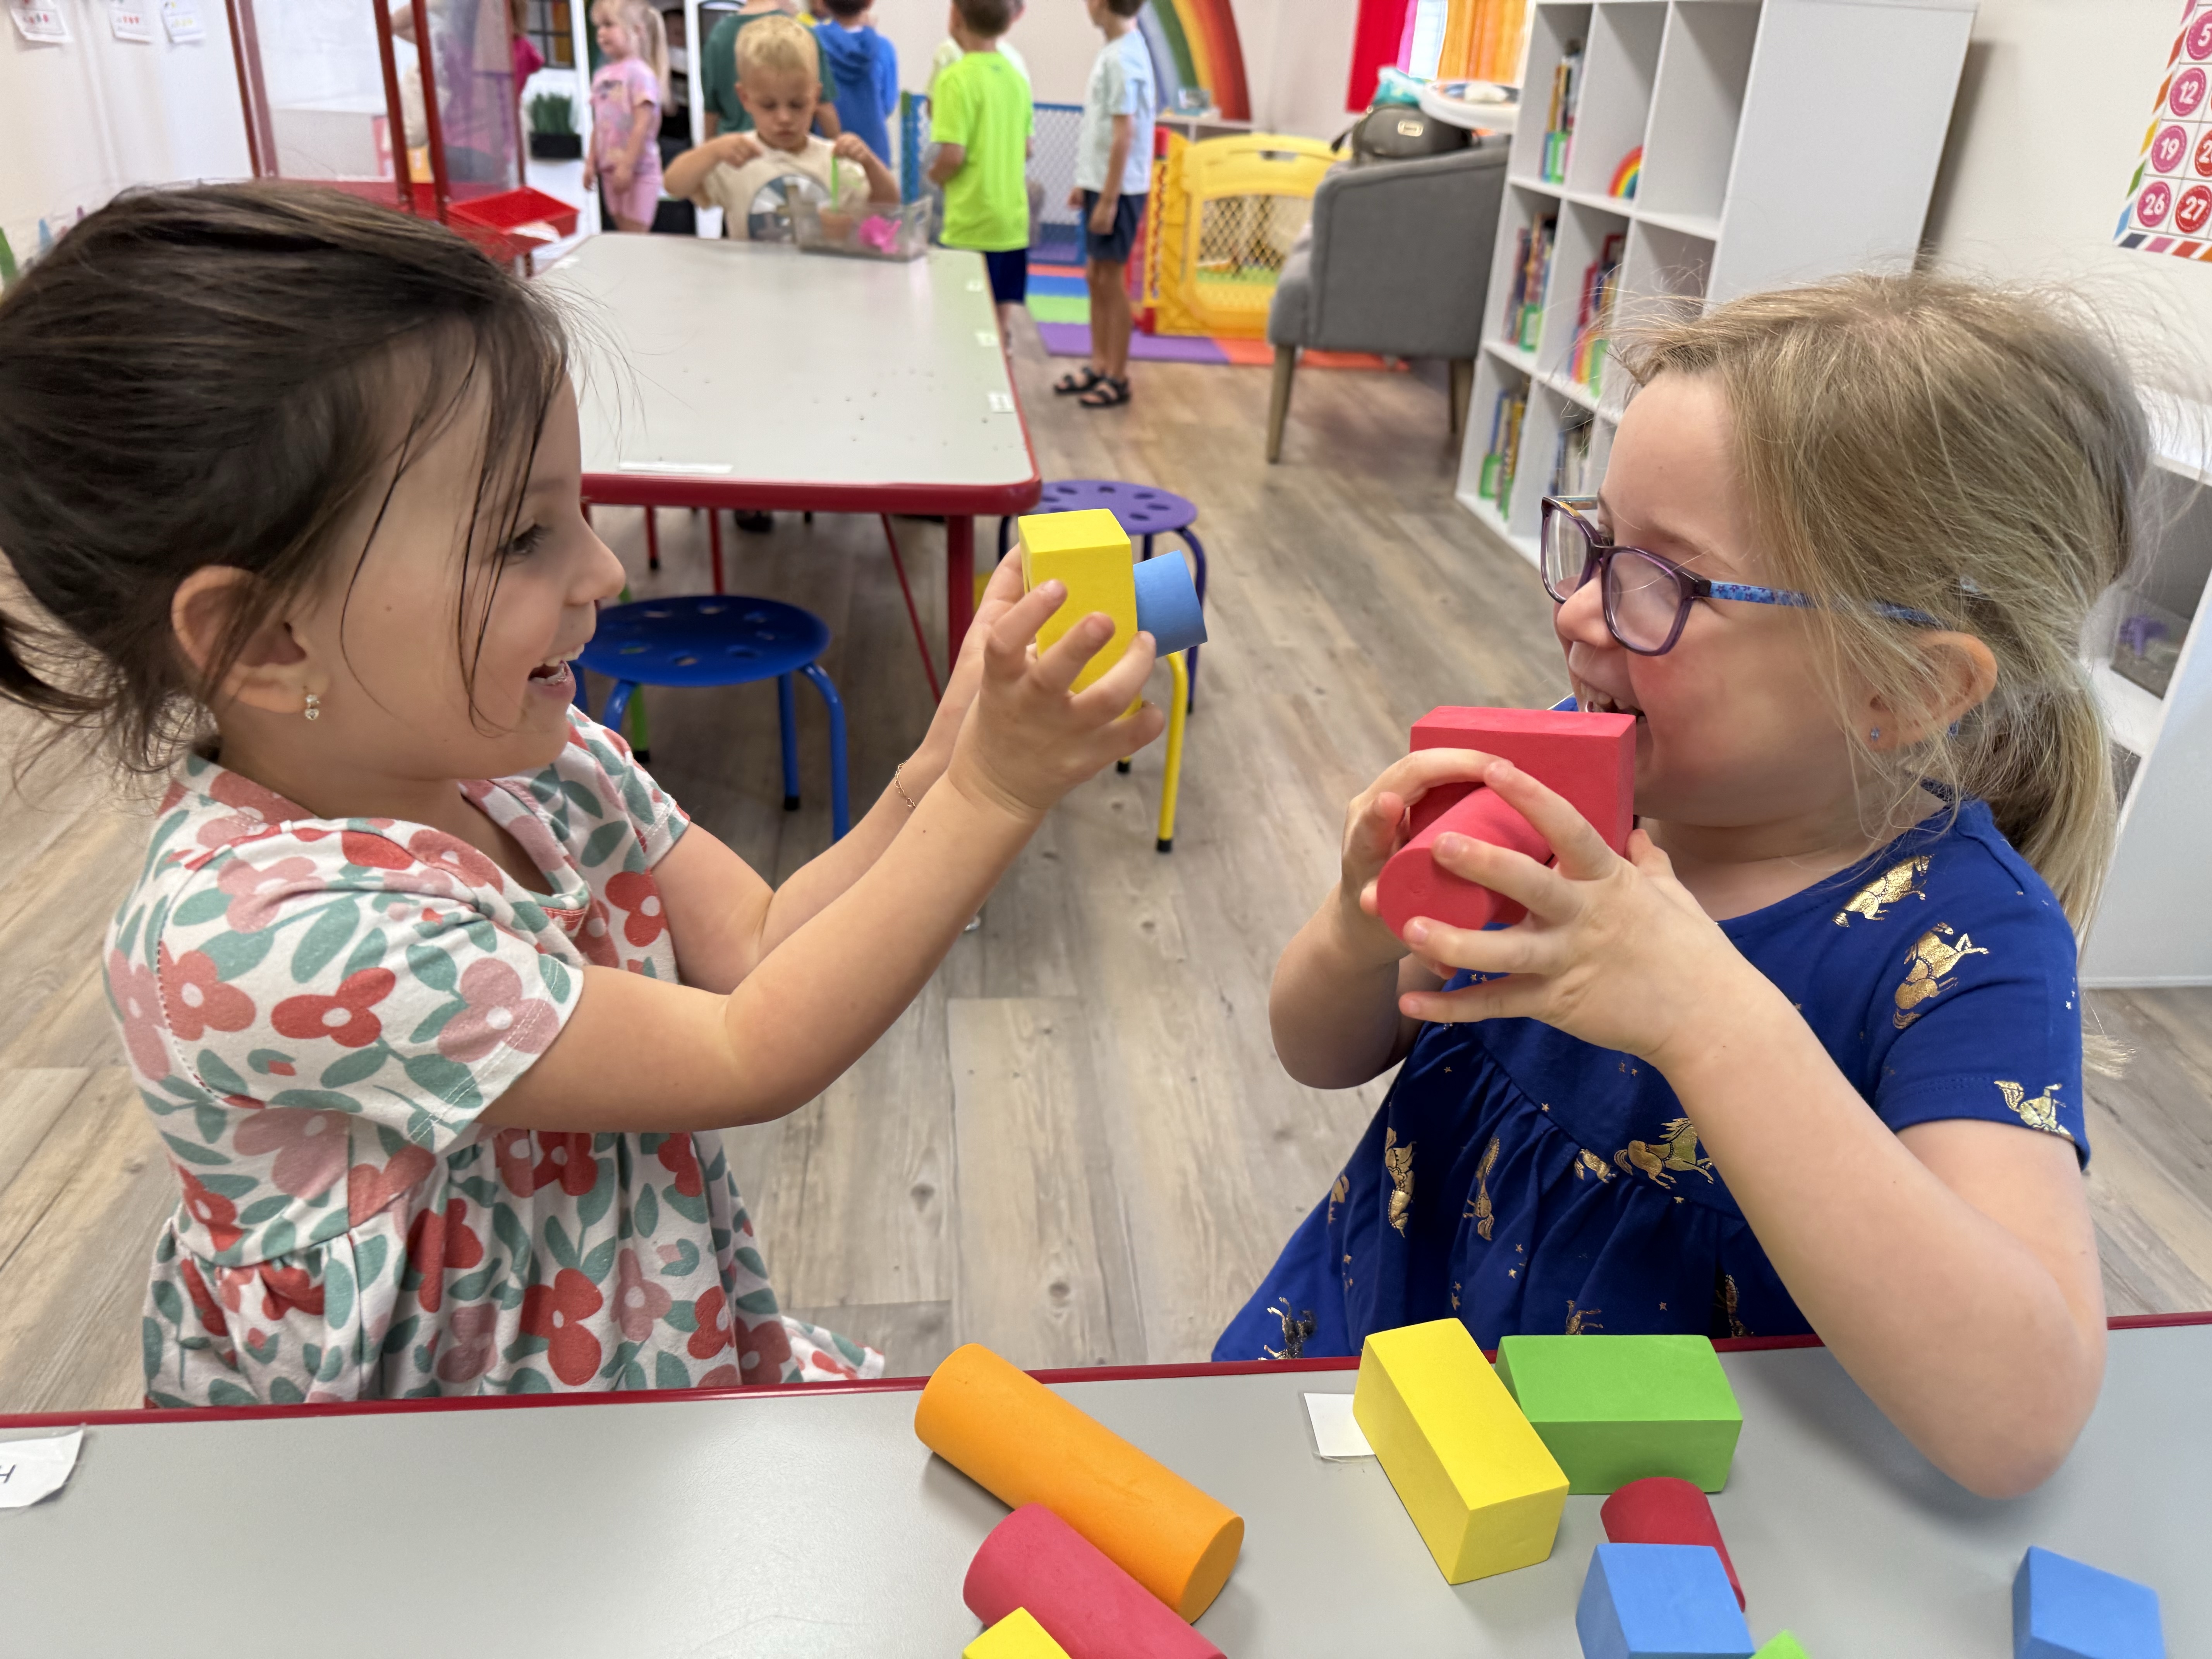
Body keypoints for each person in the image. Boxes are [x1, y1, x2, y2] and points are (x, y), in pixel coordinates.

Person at [0, 182, 1163, 1406]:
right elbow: (748, 1049)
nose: (603, 569)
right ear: (264, 639)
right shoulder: (266, 938)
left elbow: (761, 944)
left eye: (581, 510)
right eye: (522, 538)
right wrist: (991, 791)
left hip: (625, 1359)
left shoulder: (539, 764)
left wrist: (934, 769)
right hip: (433, 1455)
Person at [1219, 273, 2140, 1499]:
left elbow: (2017, 1418)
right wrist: (1357, 928)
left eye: (1669, 582)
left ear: (1901, 690)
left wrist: (1705, 1018)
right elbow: (1316, 1050)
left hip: (1622, 1502)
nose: (1579, 612)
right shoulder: (1562, 791)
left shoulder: (1964, 941)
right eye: (1597, 544)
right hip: (1364, 1365)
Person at [667, 14, 897, 243]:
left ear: (815, 97)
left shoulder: (834, 161)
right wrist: (713, 150)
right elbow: (674, 185)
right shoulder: (737, 159)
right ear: (745, 98)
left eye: (797, 104)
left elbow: (889, 205)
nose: (785, 118)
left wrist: (869, 163)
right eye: (769, 106)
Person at [1058, 0, 1154, 409]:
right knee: (1095, 275)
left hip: (1121, 189)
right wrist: (1087, 184)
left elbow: (1124, 135)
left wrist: (1109, 200)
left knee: (1111, 281)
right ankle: (1099, 364)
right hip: (1104, 184)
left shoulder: (1124, 57)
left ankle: (1117, 375)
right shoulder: (1115, 51)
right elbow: (1100, 130)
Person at [926, 0, 1033, 334]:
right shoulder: (1017, 79)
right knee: (998, 324)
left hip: (970, 223)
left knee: (962, 322)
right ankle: (1004, 361)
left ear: (956, 16)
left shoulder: (954, 79)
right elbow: (1028, 149)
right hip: (1012, 222)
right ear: (1009, 21)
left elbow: (953, 156)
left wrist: (934, 177)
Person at [699, 0, 841, 143]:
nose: (783, 118)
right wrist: (838, 149)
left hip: (735, 149)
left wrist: (709, 152)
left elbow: (711, 112)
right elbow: (823, 107)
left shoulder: (718, 36)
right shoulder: (802, 35)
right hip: (790, 147)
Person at [584, 0, 666, 234]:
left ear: (637, 31)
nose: (602, 33)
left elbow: (643, 123)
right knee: (622, 231)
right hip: (610, 170)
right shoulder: (602, 76)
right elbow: (600, 124)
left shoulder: (640, 74)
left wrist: (627, 165)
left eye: (609, 25)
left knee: (636, 234)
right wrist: (591, 162)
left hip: (639, 171)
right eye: (599, 27)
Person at [812, 0, 899, 174]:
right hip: (874, 153)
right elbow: (888, 103)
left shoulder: (813, 43)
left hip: (826, 150)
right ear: (870, 3)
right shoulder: (883, 48)